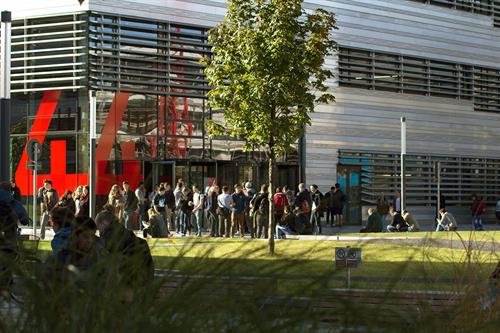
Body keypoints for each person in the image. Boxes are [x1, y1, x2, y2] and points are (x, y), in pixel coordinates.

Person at [95, 210, 154, 286]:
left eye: (99, 228)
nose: (99, 232)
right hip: (143, 282)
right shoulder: (134, 238)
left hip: (124, 285)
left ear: (104, 223)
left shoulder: (107, 240)